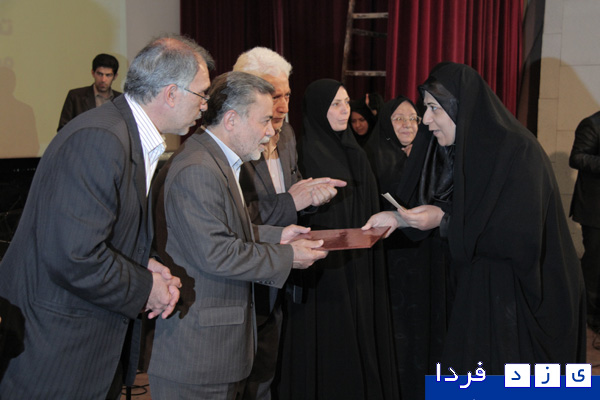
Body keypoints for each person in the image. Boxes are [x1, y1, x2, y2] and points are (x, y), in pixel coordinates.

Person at [0, 34, 215, 398]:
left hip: (81, 340)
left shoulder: (123, 133)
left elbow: (99, 234)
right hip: (56, 348)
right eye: (202, 94)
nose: (205, 106)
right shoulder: (101, 138)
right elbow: (74, 256)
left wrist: (143, 263)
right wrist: (146, 287)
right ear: (171, 93)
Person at [364, 62, 586, 375]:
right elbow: (449, 204)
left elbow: (519, 237)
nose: (425, 120)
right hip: (485, 287)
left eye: (433, 109)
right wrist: (399, 218)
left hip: (523, 295)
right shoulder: (468, 149)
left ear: (460, 107)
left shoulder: (518, 150)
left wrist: (444, 222)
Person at [147, 71, 328, 400]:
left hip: (217, 351)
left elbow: (223, 230)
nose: (271, 131)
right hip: (200, 356)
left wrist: (278, 235)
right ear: (231, 120)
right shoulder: (199, 168)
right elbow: (216, 252)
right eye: (264, 120)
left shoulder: (216, 160)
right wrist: (288, 256)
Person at [232, 47, 345, 400]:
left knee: (266, 378)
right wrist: (292, 201)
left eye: (287, 96)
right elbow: (234, 220)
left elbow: (292, 197)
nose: (282, 107)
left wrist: (312, 198)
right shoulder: (230, 144)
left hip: (279, 280)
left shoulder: (288, 135)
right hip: (240, 286)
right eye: (273, 96)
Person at [277, 79, 398, 399]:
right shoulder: (304, 153)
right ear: (319, 109)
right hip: (323, 268)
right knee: (331, 335)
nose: (344, 110)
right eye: (335, 104)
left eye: (346, 102)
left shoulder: (355, 151)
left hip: (359, 262)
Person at [364, 96, 444, 399]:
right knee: (398, 328)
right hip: (391, 258)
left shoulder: (433, 155)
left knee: (427, 322)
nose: (407, 125)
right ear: (386, 123)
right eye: (398, 118)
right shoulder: (372, 157)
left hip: (429, 256)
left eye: (413, 118)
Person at [570, 110, 600, 335]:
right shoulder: (592, 124)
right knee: (594, 265)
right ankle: (588, 316)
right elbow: (577, 157)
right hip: (594, 210)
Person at [58, 53, 121, 131]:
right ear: (93, 73)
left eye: (108, 75)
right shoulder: (76, 97)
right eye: (100, 74)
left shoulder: (121, 100)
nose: (103, 80)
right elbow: (63, 130)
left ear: (115, 76)